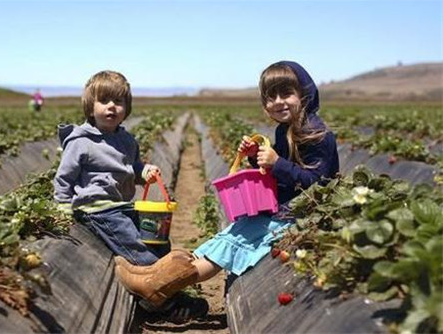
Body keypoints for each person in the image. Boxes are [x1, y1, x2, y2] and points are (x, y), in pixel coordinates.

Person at [114, 60, 340, 310]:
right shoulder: (282, 131)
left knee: (229, 246)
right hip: (280, 210)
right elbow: (277, 176)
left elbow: (316, 184)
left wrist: (277, 164)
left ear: (305, 94)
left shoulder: (317, 135)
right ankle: (150, 275)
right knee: (223, 238)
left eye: (286, 93)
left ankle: (157, 287)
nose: (278, 101)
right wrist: (256, 156)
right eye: (270, 96)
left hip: (298, 217)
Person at [53, 70, 208, 322]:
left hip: (123, 205)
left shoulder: (126, 139)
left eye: (119, 101)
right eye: (104, 101)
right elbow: (64, 177)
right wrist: (62, 205)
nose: (112, 107)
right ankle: (162, 305)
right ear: (90, 108)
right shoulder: (79, 142)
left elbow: (131, 168)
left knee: (156, 241)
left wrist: (143, 171)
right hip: (97, 209)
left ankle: (165, 287)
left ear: (127, 107)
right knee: (136, 249)